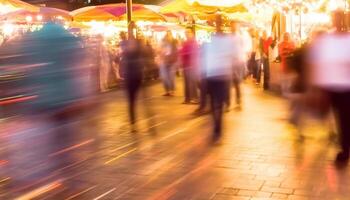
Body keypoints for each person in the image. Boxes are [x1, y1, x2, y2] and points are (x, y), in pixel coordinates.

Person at [308, 11, 350, 164]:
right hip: (329, 86)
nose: (338, 21)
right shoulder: (328, 40)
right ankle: (340, 141)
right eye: (335, 18)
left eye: (340, 18)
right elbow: (317, 61)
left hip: (346, 87)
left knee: (344, 119)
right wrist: (316, 85)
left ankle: (345, 150)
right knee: (331, 116)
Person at [203, 15, 235, 141]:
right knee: (213, 104)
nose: (216, 24)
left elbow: (231, 56)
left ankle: (217, 129)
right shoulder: (211, 39)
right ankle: (216, 127)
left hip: (221, 75)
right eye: (215, 22)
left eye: (218, 22)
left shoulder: (225, 40)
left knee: (219, 104)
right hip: (212, 75)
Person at [121, 23, 146, 126]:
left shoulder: (130, 43)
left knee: (132, 99)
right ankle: (133, 120)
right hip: (133, 74)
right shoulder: (129, 43)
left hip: (134, 74)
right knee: (132, 99)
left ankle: (133, 121)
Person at [179, 28, 199, 104]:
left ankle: (195, 98)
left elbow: (193, 54)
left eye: (188, 32)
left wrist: (184, 54)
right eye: (185, 32)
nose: (186, 34)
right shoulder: (185, 42)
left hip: (192, 66)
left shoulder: (194, 42)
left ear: (192, 33)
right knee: (186, 83)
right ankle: (187, 98)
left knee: (192, 83)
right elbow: (182, 52)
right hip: (186, 65)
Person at [160, 31, 178, 96]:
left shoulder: (174, 43)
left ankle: (172, 90)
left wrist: (175, 60)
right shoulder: (163, 43)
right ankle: (167, 91)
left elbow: (176, 52)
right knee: (164, 77)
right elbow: (160, 51)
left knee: (171, 77)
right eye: (167, 35)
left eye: (170, 35)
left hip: (172, 62)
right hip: (164, 61)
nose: (168, 37)